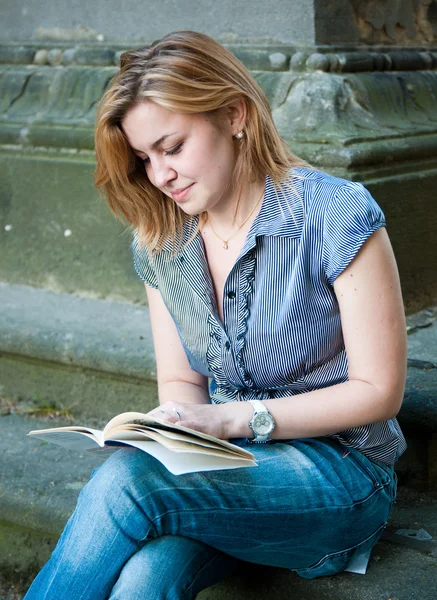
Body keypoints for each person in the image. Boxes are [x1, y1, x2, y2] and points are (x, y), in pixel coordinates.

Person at [24, 30, 407, 599]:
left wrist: (232, 421)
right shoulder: (161, 240)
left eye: (172, 147)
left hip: (340, 472)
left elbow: (379, 392)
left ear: (235, 114)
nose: (160, 175)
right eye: (144, 158)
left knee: (127, 485)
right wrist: (174, 431)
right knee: (143, 579)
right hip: (229, 466)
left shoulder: (335, 214)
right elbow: (183, 378)